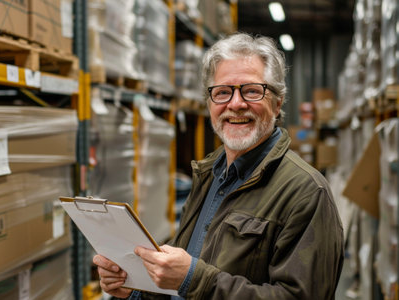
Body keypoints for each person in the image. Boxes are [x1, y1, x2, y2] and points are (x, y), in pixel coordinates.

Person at [93, 32, 344, 299]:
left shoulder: (307, 192)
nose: (235, 104)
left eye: (251, 91)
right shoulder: (210, 175)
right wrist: (134, 288)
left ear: (278, 100)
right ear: (210, 103)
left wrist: (194, 279)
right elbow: (180, 282)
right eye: (222, 92)